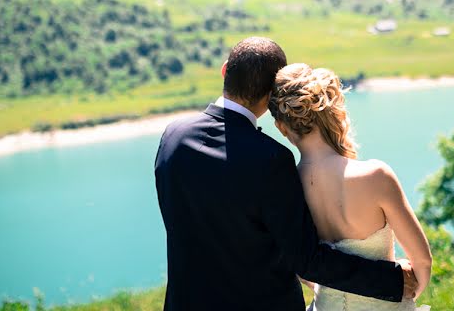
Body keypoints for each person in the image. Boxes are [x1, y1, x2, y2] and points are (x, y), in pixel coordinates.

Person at [154, 36, 417, 310]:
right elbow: (306, 259)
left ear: (225, 70)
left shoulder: (173, 137)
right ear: (272, 95)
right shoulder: (271, 159)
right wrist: (393, 280)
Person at [271, 63, 432, 311]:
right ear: (333, 110)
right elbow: (422, 260)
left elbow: (301, 263)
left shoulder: (286, 188)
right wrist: (408, 294)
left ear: (282, 128)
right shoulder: (376, 176)